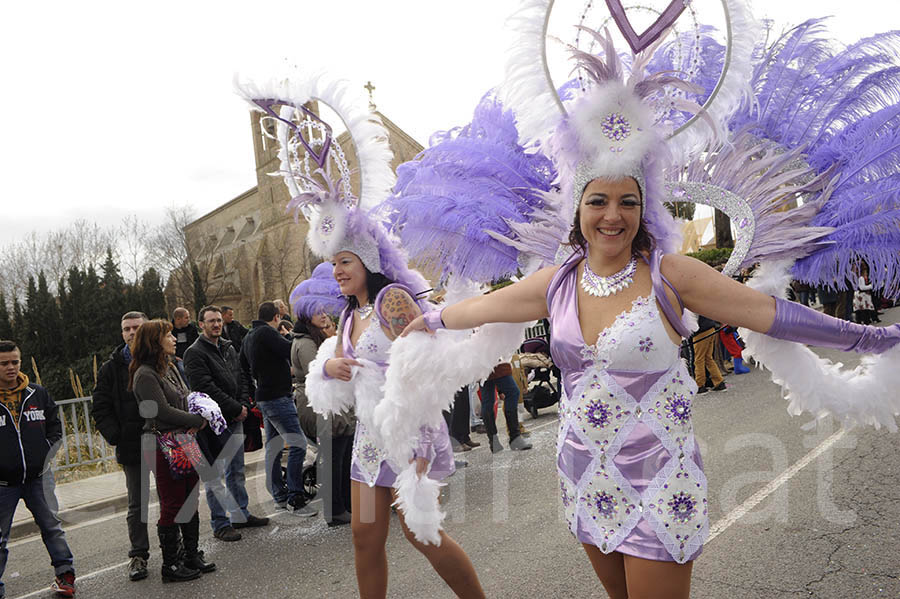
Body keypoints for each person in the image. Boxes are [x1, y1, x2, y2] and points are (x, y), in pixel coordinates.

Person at [390, 19, 900, 597]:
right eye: (599, 201)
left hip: (663, 481)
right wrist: (427, 319)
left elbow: (771, 315)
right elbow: (478, 310)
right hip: (583, 472)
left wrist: (875, 340)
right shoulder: (557, 280)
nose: (613, 215)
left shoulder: (670, 274)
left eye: (627, 201)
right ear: (577, 209)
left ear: (644, 207)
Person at [239, 74, 485, 599]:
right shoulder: (350, 317)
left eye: (345, 261)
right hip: (370, 442)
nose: (337, 272)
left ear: (369, 261)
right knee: (363, 538)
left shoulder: (394, 303)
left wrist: (417, 444)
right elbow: (336, 369)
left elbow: (428, 361)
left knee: (425, 535)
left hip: (406, 434)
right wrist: (327, 369)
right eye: (333, 263)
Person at [130, 320, 215, 583]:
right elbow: (162, 411)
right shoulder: (145, 374)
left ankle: (191, 555)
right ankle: (171, 564)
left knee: (191, 498)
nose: (174, 338)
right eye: (168, 335)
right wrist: (197, 421)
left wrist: (202, 412)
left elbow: (185, 397)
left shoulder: (169, 367)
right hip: (162, 443)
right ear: (154, 342)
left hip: (185, 439)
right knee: (172, 503)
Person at [183, 305, 269, 542]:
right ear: (201, 324)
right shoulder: (195, 353)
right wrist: (234, 407)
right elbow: (204, 387)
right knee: (216, 475)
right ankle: (220, 523)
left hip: (236, 418)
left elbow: (241, 376)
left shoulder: (228, 346)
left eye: (219, 320)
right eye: (211, 321)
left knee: (237, 471)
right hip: (215, 424)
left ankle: (240, 514)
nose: (216, 324)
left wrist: (243, 404)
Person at [0, 340, 76, 598]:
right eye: (4, 363)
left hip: (39, 478)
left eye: (15, 362)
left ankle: (65, 575)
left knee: (52, 527)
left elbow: (55, 426)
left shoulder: (38, 393)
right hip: (2, 485)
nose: (11, 367)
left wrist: (47, 450)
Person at [289, 262, 353, 527]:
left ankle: (346, 505)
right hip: (320, 403)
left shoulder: (318, 338)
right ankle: (335, 510)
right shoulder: (304, 343)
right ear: (307, 316)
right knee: (333, 456)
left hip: (332, 402)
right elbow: (319, 372)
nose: (324, 315)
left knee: (344, 454)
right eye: (318, 312)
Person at [91, 311, 152, 581]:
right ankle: (138, 555)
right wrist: (116, 435)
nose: (131, 333)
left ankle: (181, 549)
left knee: (176, 498)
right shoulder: (110, 368)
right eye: (126, 328)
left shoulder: (162, 359)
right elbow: (100, 406)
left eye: (136, 328)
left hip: (165, 441)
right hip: (132, 444)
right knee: (137, 504)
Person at [239, 302, 316, 516]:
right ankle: (295, 498)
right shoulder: (266, 333)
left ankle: (279, 495)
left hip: (263, 396)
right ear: (275, 317)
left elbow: (242, 366)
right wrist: (290, 334)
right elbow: (289, 351)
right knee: (298, 444)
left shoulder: (249, 336)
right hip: (277, 397)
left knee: (273, 448)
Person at [480, 362, 532, 452]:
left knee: (487, 400)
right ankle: (514, 438)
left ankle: (494, 441)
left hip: (479, 364)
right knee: (513, 392)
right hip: (493, 360)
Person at [692, 315, 727, 394]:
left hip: (701, 331)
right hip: (710, 327)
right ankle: (719, 381)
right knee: (708, 358)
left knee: (699, 359)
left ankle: (700, 385)